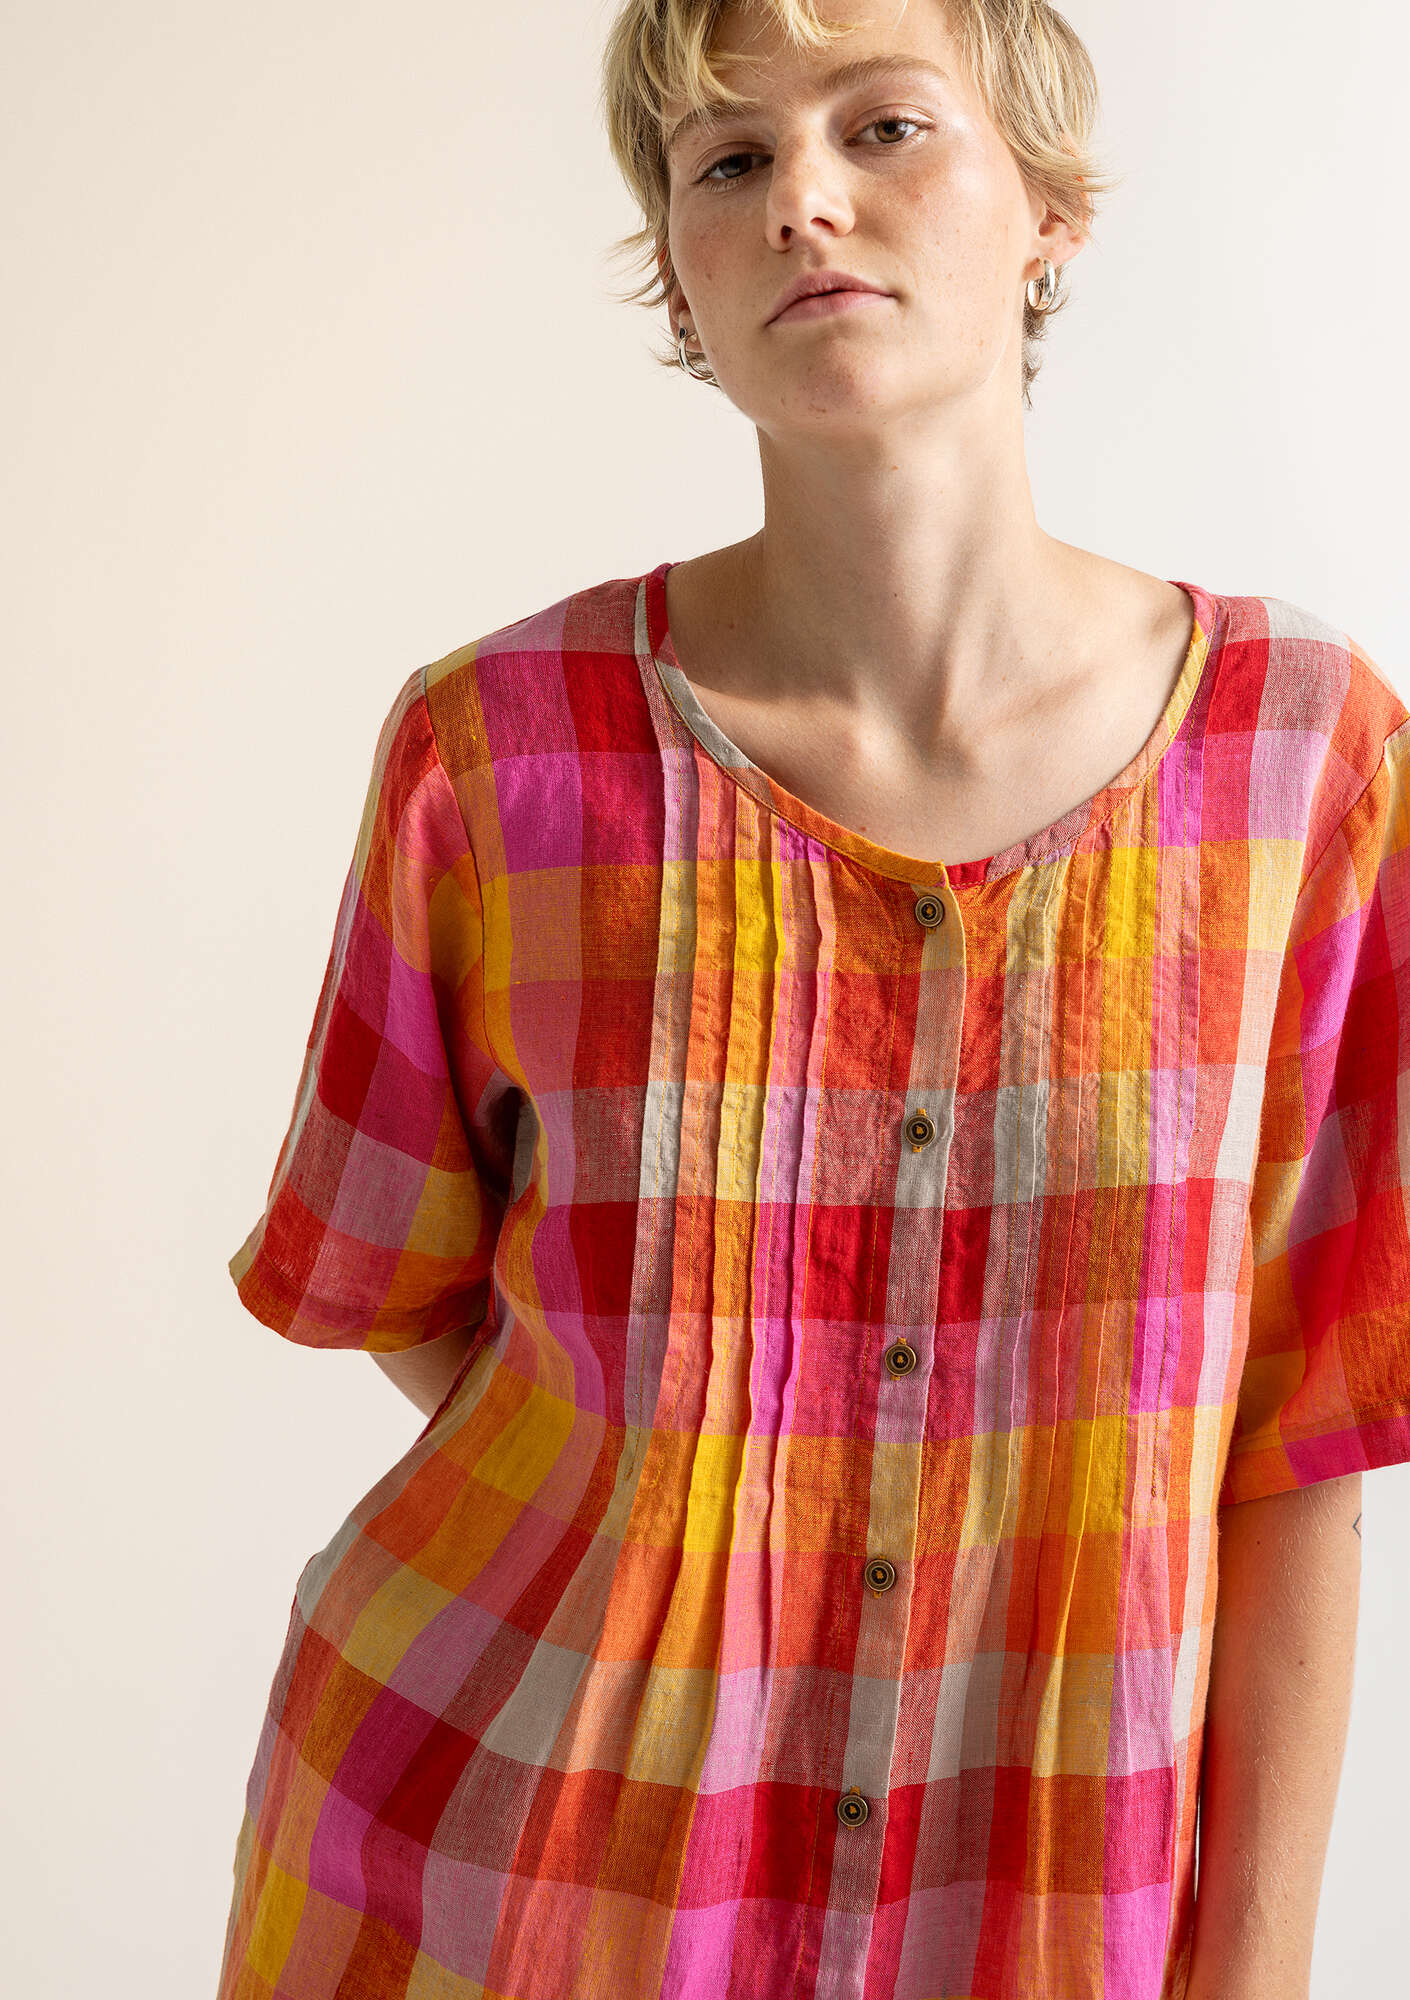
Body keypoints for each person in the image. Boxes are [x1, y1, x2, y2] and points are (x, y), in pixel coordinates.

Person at [215, 4, 1410, 1997]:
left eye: (885, 128)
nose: (805, 202)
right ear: (678, 274)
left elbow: (1308, 1433)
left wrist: (1257, 1960)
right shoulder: (498, 755)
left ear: (1048, 206)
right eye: (730, 162)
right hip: (511, 1882)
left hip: (1039, 1907)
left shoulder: (1310, 766)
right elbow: (405, 1287)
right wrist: (726, 1479)